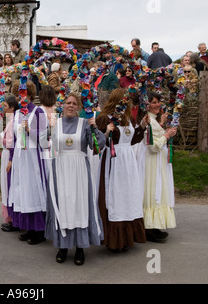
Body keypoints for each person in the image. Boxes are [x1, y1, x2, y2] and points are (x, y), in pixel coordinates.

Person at [45, 93, 106, 265]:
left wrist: (95, 128)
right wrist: (47, 130)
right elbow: (42, 143)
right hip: (61, 168)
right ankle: (63, 246)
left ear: (78, 107)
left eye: (74, 103)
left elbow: (98, 145)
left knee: (79, 206)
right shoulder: (55, 124)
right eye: (67, 103)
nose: (70, 106)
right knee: (63, 205)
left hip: (79, 170)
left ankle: (80, 247)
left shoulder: (84, 124)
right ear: (62, 105)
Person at [96, 88, 149, 252]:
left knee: (128, 196)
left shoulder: (128, 118)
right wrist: (106, 131)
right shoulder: (105, 118)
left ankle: (128, 237)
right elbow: (99, 140)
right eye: (125, 100)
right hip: (114, 161)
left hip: (128, 162)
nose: (128, 103)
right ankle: (114, 239)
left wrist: (141, 126)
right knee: (115, 197)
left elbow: (132, 140)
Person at [7, 80, 48, 245]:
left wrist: (31, 131)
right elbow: (15, 138)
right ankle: (28, 227)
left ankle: (39, 231)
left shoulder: (38, 112)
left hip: (32, 157)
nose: (20, 97)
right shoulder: (17, 114)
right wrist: (11, 158)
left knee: (33, 190)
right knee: (22, 190)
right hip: (20, 156)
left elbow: (44, 138)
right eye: (18, 94)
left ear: (30, 95)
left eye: (23, 94)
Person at [139, 92, 177, 243]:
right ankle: (149, 228)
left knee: (159, 191)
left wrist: (162, 126)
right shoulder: (148, 121)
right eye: (153, 102)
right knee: (153, 190)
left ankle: (154, 226)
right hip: (152, 162)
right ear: (147, 105)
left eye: (158, 102)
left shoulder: (153, 120)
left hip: (158, 162)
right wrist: (167, 135)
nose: (157, 105)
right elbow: (152, 146)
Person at [0, 95, 20, 232]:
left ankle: (11, 218)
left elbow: (11, 143)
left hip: (9, 156)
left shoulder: (13, 122)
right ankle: (11, 217)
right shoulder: (11, 121)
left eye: (5, 106)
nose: (3, 109)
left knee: (7, 185)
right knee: (6, 185)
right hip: (6, 155)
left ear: (11, 107)